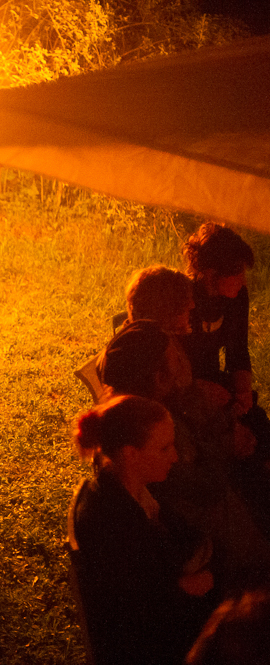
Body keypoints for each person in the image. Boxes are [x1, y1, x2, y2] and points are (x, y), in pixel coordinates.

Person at [101, 320, 270, 587]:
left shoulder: (130, 412)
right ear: (159, 378)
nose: (184, 362)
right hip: (222, 552)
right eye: (177, 359)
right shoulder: (154, 432)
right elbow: (207, 488)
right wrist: (229, 446)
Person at [68, 394, 216, 665]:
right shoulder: (115, 522)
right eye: (164, 448)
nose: (175, 456)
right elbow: (139, 610)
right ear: (131, 454)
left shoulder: (131, 491)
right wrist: (184, 587)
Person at [182, 223, 256, 413]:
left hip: (214, 380)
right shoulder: (183, 299)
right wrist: (198, 388)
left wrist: (243, 395)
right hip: (181, 390)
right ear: (211, 273)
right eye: (236, 271)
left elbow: (238, 350)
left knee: (255, 420)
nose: (243, 279)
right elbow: (168, 366)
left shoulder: (237, 297)